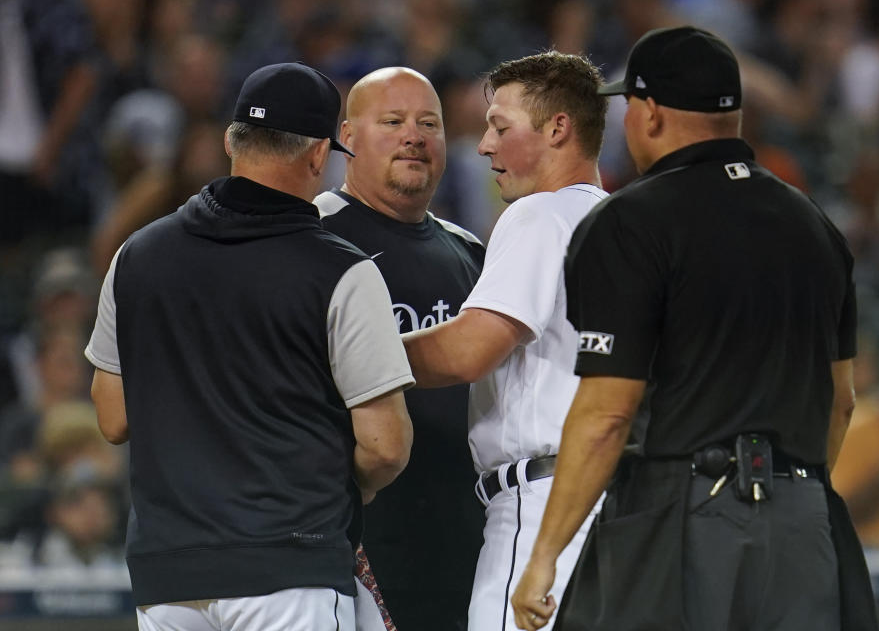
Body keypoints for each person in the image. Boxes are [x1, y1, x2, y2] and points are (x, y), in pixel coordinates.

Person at [510, 27, 876, 631]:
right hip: (804, 521)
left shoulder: (629, 222)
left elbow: (607, 414)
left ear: (651, 113)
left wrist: (544, 555)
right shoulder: (813, 225)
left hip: (684, 516)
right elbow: (841, 403)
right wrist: (783, 499)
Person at [84, 62, 414, 631]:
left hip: (169, 579)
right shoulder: (341, 269)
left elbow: (113, 418)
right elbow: (385, 446)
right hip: (289, 571)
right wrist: (338, 487)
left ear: (231, 141)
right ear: (318, 156)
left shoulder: (136, 256)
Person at [401, 51, 609, 631]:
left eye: (500, 126)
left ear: (557, 128)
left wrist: (356, 355)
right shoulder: (624, 224)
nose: (485, 145)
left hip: (545, 506)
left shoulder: (540, 214)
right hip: (620, 507)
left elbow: (470, 349)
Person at [312, 66, 485, 631]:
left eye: (428, 122)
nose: (414, 135)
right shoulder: (307, 239)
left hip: (465, 539)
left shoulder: (471, 252)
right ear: (348, 137)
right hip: (354, 541)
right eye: (393, 121)